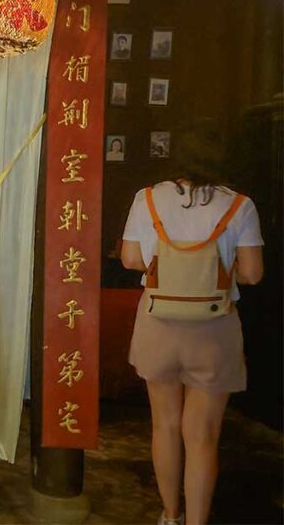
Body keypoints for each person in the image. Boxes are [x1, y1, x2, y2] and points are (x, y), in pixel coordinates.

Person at [121, 124, 263, 525]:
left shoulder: (147, 198)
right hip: (213, 329)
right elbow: (253, 273)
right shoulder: (240, 205)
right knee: (202, 435)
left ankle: (170, 515)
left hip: (157, 323)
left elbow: (131, 258)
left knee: (164, 425)